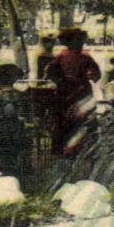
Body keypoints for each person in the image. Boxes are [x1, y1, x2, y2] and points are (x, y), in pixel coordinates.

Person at [44, 27, 101, 156]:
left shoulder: (63, 56)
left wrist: (60, 81)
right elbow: (96, 75)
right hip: (76, 92)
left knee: (66, 121)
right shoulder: (80, 57)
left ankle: (64, 150)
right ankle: (74, 150)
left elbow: (49, 73)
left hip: (70, 92)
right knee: (78, 120)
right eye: (79, 41)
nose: (81, 44)